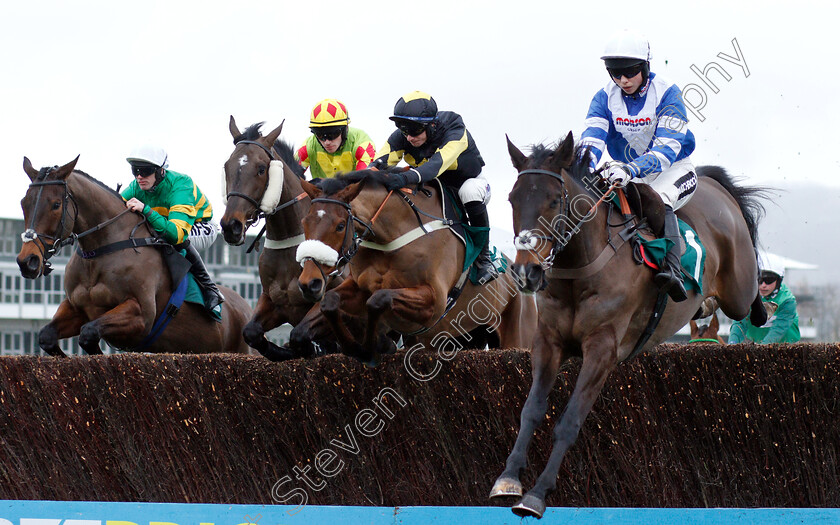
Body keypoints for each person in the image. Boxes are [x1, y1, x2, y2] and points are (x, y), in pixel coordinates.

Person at [580, 30, 698, 302]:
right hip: (627, 171)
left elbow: (667, 150)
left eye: (630, 72)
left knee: (659, 200)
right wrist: (581, 169)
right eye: (615, 73)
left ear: (645, 67)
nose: (622, 80)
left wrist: (631, 170)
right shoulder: (603, 98)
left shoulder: (668, 93)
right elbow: (592, 140)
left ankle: (673, 271)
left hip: (673, 170)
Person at [370, 90, 498, 283]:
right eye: (404, 130)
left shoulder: (455, 128)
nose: (409, 137)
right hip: (434, 187)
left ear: (431, 124)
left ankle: (485, 258)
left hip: (467, 183)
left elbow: (436, 165)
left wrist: (404, 178)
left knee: (469, 192)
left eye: (414, 131)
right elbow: (378, 162)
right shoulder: (403, 136)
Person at [122, 145, 225, 311]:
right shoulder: (136, 186)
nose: (140, 176)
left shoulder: (181, 184)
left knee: (172, 239)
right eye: (135, 170)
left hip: (201, 226)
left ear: (160, 171)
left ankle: (210, 289)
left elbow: (177, 234)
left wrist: (146, 210)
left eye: (146, 170)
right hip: (167, 224)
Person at [295, 98, 377, 179]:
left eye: (333, 134)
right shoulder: (308, 146)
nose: (326, 142)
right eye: (320, 135)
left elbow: (364, 182)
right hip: (320, 192)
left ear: (346, 128)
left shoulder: (363, 144)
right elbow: (290, 174)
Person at [728, 262, 801, 344]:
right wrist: (732, 344)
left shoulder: (787, 301)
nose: (763, 285)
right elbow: (739, 324)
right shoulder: (747, 296)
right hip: (757, 343)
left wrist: (761, 350)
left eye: (768, 280)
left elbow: (778, 330)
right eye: (760, 280)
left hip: (786, 346)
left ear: (779, 280)